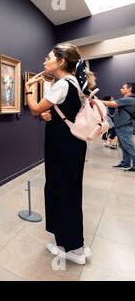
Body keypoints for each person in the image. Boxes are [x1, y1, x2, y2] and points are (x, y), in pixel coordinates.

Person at [25, 44, 95, 265]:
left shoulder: (63, 84)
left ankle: (72, 248)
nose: (44, 61)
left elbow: (35, 109)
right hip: (73, 145)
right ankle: (76, 243)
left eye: (48, 58)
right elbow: (63, 111)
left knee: (60, 191)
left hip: (61, 146)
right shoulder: (75, 83)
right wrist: (50, 116)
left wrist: (27, 88)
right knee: (71, 191)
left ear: (61, 61)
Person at [101, 83, 135, 172]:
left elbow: (110, 103)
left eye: (123, 88)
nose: (120, 89)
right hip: (122, 126)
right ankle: (125, 163)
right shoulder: (127, 99)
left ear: (129, 89)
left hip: (125, 126)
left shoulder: (129, 99)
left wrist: (96, 101)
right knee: (124, 146)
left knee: (129, 146)